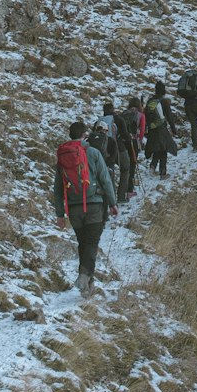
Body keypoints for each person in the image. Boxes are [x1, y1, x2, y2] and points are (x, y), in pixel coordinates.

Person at [54, 120, 118, 295]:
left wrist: (60, 214)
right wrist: (112, 203)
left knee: (83, 243)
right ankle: (84, 275)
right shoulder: (93, 152)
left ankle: (87, 286)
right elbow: (105, 179)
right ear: (85, 135)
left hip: (74, 207)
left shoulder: (63, 154)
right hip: (94, 205)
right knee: (91, 243)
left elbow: (58, 187)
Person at [145, 81, 179, 178]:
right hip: (161, 128)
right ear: (164, 91)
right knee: (164, 148)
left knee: (158, 147)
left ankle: (152, 166)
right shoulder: (164, 101)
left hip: (152, 128)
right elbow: (169, 117)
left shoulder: (150, 101)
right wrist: (174, 130)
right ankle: (163, 173)